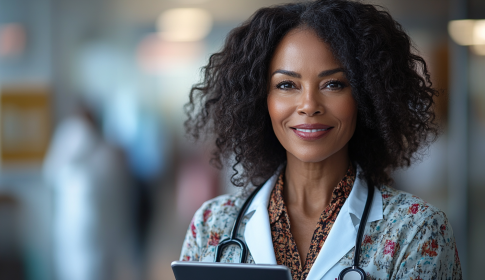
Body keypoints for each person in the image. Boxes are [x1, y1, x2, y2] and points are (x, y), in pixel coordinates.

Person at [179, 0, 462, 279]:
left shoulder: (416, 230)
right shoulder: (212, 224)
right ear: (260, 99)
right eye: (287, 85)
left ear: (365, 97)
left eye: (333, 84)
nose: (309, 105)